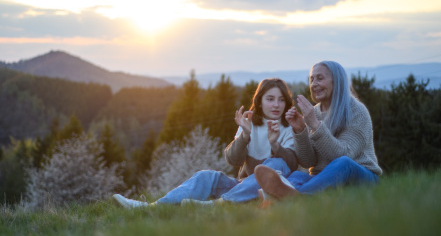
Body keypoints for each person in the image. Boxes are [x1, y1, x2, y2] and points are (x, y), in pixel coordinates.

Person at [112, 78, 298, 208]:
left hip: (267, 190)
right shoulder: (248, 123)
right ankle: (152, 207)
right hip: (243, 187)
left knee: (276, 165)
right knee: (207, 176)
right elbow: (232, 160)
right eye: (270, 99)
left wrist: (276, 146)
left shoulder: (289, 125)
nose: (276, 105)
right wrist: (244, 136)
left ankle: (219, 205)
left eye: (281, 100)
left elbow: (290, 165)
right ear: (259, 101)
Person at [254, 61, 382, 199]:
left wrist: (315, 125)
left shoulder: (356, 111)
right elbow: (308, 162)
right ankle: (278, 195)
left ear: (337, 81)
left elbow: (345, 155)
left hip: (361, 176)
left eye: (320, 78)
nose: (314, 84)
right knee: (297, 175)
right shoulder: (313, 112)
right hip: (323, 177)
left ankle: (298, 196)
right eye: (311, 79)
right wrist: (300, 131)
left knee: (344, 163)